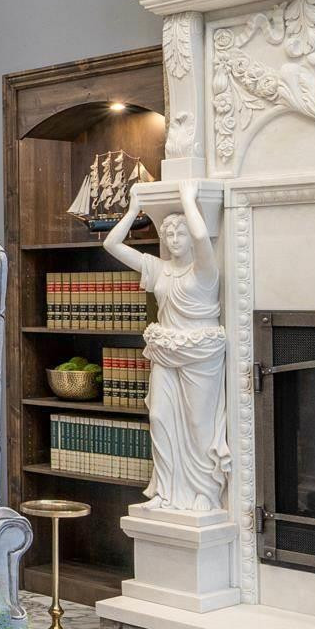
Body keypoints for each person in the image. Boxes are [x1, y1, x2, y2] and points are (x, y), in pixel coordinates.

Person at [99, 180, 229, 514]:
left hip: (200, 353)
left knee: (199, 423)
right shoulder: (158, 269)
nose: (173, 240)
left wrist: (188, 198)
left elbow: (203, 238)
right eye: (168, 234)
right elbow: (112, 244)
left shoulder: (204, 271)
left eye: (179, 234)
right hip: (165, 351)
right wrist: (132, 211)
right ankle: (167, 489)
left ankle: (205, 492)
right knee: (158, 416)